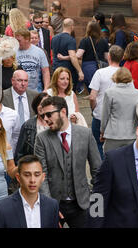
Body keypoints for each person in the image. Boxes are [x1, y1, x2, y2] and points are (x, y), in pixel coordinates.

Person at [34, 96, 101, 228]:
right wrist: (49, 207)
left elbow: (97, 171)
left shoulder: (85, 134)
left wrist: (97, 208)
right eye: (43, 115)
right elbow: (41, 175)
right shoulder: (41, 139)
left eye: (49, 114)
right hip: (55, 203)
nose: (45, 119)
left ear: (63, 112)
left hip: (82, 204)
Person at [0, 155, 59, 228]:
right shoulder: (1, 208)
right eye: (27, 175)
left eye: (37, 175)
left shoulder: (52, 205)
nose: (32, 180)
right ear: (18, 178)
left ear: (43, 177)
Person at [88, 45, 124, 159]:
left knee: (98, 145)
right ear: (122, 58)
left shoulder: (100, 73)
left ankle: (102, 168)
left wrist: (93, 109)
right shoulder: (125, 74)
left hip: (100, 114)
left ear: (109, 56)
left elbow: (92, 97)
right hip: (118, 116)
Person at [101, 67, 138, 153]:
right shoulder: (136, 93)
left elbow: (105, 115)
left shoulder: (109, 92)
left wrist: (102, 131)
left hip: (113, 133)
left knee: (110, 161)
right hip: (131, 133)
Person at [14, 92, 49, 164]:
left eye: (45, 104)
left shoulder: (56, 125)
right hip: (32, 167)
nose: (42, 106)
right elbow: (20, 153)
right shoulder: (27, 126)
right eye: (40, 104)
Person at [51, 18, 84, 91]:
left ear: (63, 26)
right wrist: (79, 71)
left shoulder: (54, 38)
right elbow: (73, 56)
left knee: (57, 91)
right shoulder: (70, 39)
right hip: (67, 70)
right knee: (69, 92)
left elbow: (53, 54)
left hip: (56, 68)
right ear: (72, 27)